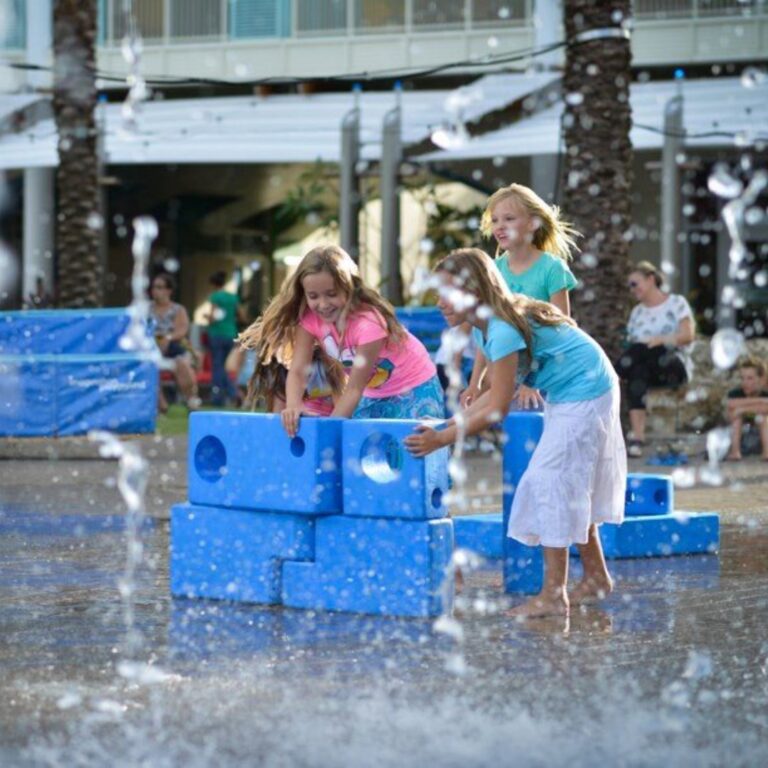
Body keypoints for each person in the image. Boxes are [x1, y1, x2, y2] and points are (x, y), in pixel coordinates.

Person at [405, 248, 626, 618]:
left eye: (446, 292)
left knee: (549, 480)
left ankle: (554, 595)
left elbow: (497, 407)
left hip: (586, 391)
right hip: (579, 387)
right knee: (569, 481)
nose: (439, 302)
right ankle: (596, 578)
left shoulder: (502, 328)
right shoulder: (486, 326)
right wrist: (445, 428)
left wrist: (442, 438)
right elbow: (493, 393)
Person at [239, 244, 444, 438]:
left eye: (331, 294)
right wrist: (293, 405)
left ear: (349, 288)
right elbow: (299, 370)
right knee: (364, 452)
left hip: (415, 385)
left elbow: (354, 387)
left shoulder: (368, 324)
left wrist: (331, 430)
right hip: (373, 393)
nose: (323, 304)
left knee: (415, 448)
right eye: (313, 296)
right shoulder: (310, 320)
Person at [461, 183, 579, 411]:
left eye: (509, 219)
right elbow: (486, 333)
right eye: (494, 220)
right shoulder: (493, 271)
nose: (500, 227)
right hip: (507, 366)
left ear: (533, 223)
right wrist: (475, 382)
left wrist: (533, 382)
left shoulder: (552, 268)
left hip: (544, 368)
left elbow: (561, 330)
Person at [615, 261, 695, 458]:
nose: (632, 290)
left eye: (635, 284)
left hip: (673, 365)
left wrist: (661, 340)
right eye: (629, 286)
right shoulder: (637, 312)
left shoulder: (676, 302)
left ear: (651, 279)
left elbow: (688, 336)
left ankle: (613, 375)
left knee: (647, 349)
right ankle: (638, 439)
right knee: (637, 372)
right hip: (648, 369)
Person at [149, 273, 200, 413]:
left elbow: (181, 330)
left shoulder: (178, 309)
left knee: (182, 364)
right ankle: (162, 405)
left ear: (168, 291)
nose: (155, 290)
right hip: (152, 348)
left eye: (159, 287)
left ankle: (191, 401)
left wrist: (167, 338)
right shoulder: (147, 309)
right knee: (148, 366)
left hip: (174, 347)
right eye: (154, 287)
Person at [206, 271, 241, 407]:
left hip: (217, 334)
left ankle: (218, 397)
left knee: (217, 366)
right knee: (226, 367)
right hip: (231, 333)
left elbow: (214, 316)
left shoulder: (215, 296)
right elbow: (242, 315)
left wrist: (207, 318)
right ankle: (233, 393)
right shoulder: (232, 297)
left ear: (214, 284)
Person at [725, 357, 768, 461]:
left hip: (761, 434)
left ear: (761, 379)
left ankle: (766, 453)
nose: (745, 382)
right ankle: (735, 452)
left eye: (750, 378)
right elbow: (731, 404)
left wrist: (742, 409)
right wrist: (761, 401)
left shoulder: (765, 393)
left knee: (763, 418)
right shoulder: (736, 393)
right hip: (743, 436)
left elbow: (766, 409)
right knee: (736, 419)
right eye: (742, 378)